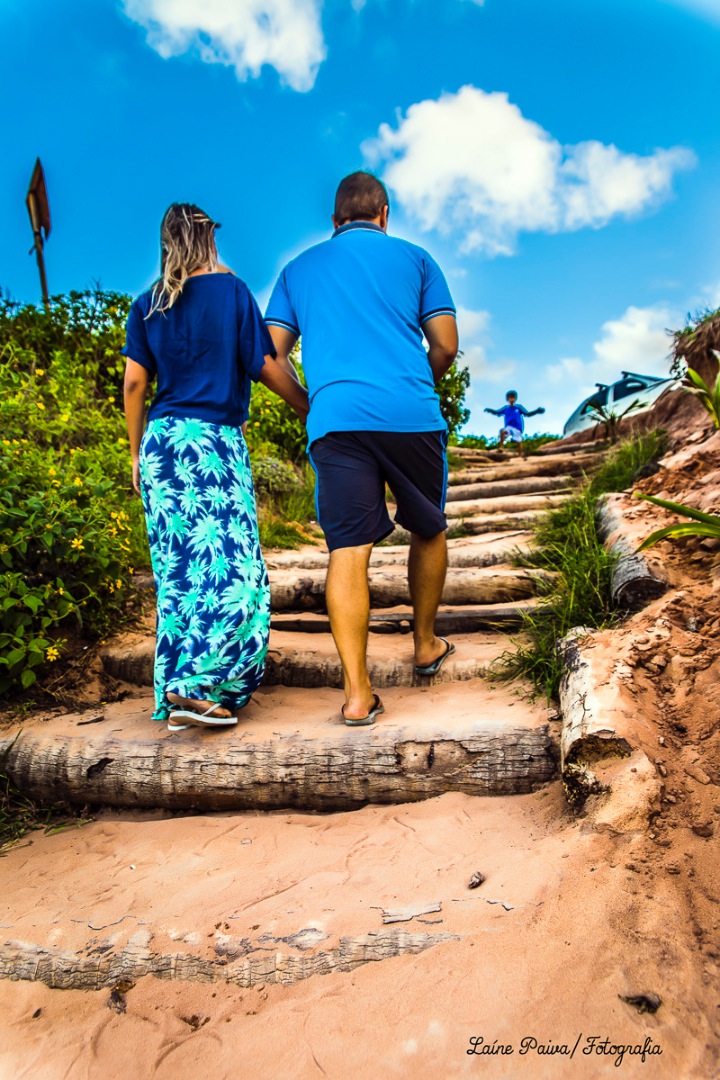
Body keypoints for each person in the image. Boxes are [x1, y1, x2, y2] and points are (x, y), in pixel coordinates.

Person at [265, 171, 458, 726]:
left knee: (347, 549)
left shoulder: (296, 270)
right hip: (410, 415)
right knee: (429, 526)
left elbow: (267, 357)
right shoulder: (417, 258)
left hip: (336, 422)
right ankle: (424, 644)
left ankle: (356, 693)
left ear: (334, 221)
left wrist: (310, 403)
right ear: (384, 213)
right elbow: (444, 343)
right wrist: (411, 386)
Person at [123, 203, 308, 732]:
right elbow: (267, 365)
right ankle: (198, 686)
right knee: (233, 571)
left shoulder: (147, 303)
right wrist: (310, 409)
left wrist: (135, 451)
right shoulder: (232, 293)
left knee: (181, 571)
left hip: (163, 446)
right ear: (209, 238)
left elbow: (135, 385)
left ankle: (189, 686)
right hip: (213, 446)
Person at [484, 391, 545, 458]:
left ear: (515, 399)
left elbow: (527, 414)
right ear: (507, 399)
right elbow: (497, 412)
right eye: (510, 398)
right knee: (502, 432)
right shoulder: (506, 408)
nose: (512, 399)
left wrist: (537, 411)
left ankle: (519, 455)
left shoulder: (518, 407)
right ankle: (501, 447)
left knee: (518, 442)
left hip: (517, 427)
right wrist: (490, 410)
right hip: (509, 426)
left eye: (513, 398)